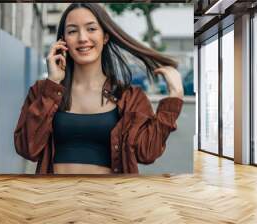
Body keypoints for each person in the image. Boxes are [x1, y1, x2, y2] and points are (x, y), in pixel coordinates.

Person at [14, 3, 184, 175]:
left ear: (105, 37)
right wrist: (53, 84)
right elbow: (27, 148)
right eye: (72, 31)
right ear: (63, 41)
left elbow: (147, 153)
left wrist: (174, 100)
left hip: (108, 198)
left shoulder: (130, 97)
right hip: (54, 197)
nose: (82, 38)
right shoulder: (43, 90)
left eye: (91, 29)